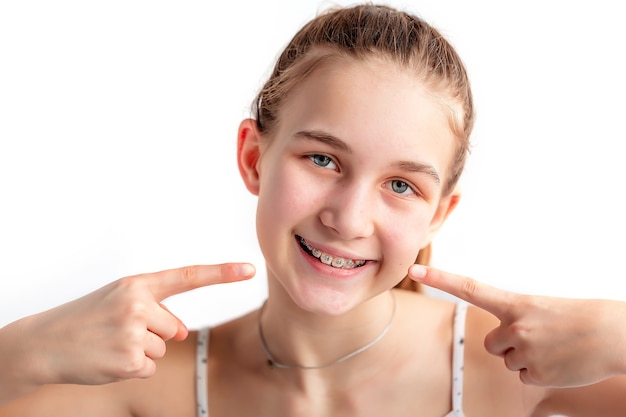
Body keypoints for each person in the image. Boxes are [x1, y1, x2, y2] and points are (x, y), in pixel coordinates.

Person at [2, 3, 626, 416]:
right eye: (323, 160)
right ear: (253, 157)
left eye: (402, 186)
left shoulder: (508, 371)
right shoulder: (150, 387)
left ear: (440, 213)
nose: (349, 219)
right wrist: (23, 350)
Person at [409, 264, 626, 388]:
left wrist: (614, 331)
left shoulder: (526, 348)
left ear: (440, 212)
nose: (371, 226)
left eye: (400, 185)